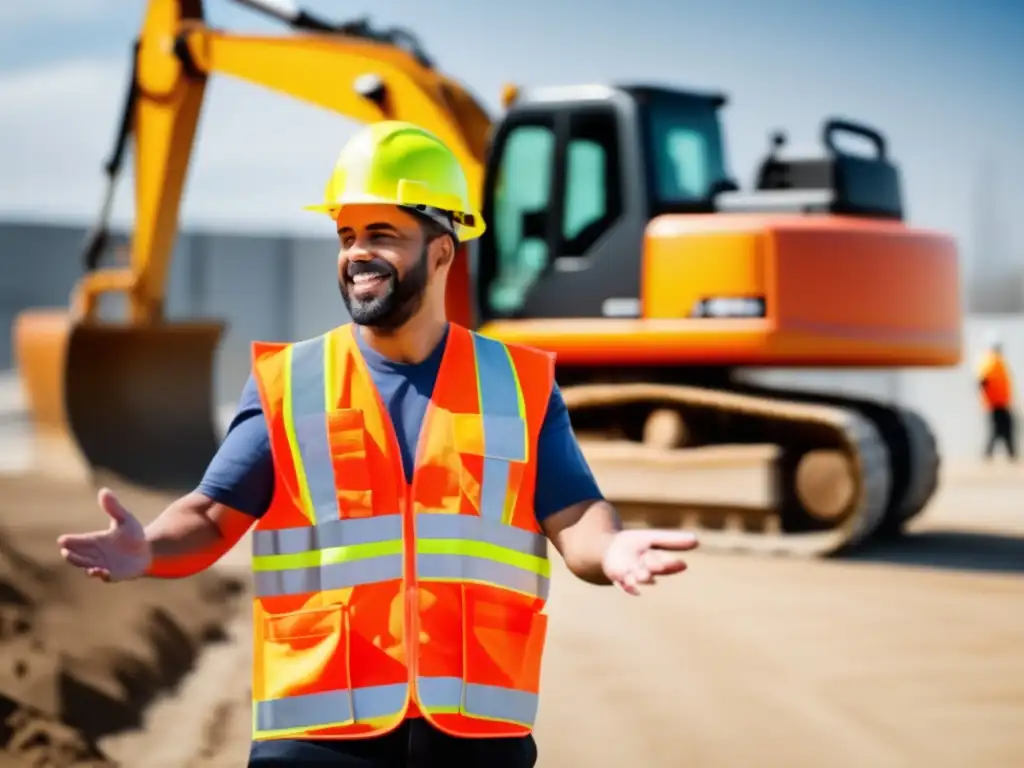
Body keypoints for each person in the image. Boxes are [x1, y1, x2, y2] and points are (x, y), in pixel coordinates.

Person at [55, 120, 699, 767]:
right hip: (317, 733)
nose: (356, 253)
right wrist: (151, 547)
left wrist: (612, 547)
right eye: (346, 236)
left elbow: (574, 514)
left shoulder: (518, 385)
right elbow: (212, 515)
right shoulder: (290, 382)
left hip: (475, 734)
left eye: (381, 235)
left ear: (442, 250)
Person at [977, 331, 1016, 461]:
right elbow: (982, 381)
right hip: (995, 404)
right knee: (1000, 429)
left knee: (1002, 429)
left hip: (999, 403)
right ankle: (1005, 455)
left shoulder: (995, 361)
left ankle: (1008, 454)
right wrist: (988, 397)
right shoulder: (991, 361)